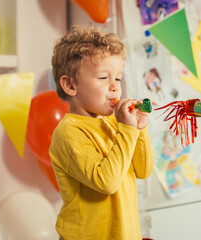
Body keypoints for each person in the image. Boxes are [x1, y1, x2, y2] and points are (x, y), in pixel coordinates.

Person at [49, 25, 154, 240]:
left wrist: (139, 128)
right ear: (70, 85)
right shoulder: (69, 131)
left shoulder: (116, 122)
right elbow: (107, 182)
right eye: (103, 78)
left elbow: (144, 170)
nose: (115, 87)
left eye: (118, 78)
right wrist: (127, 129)